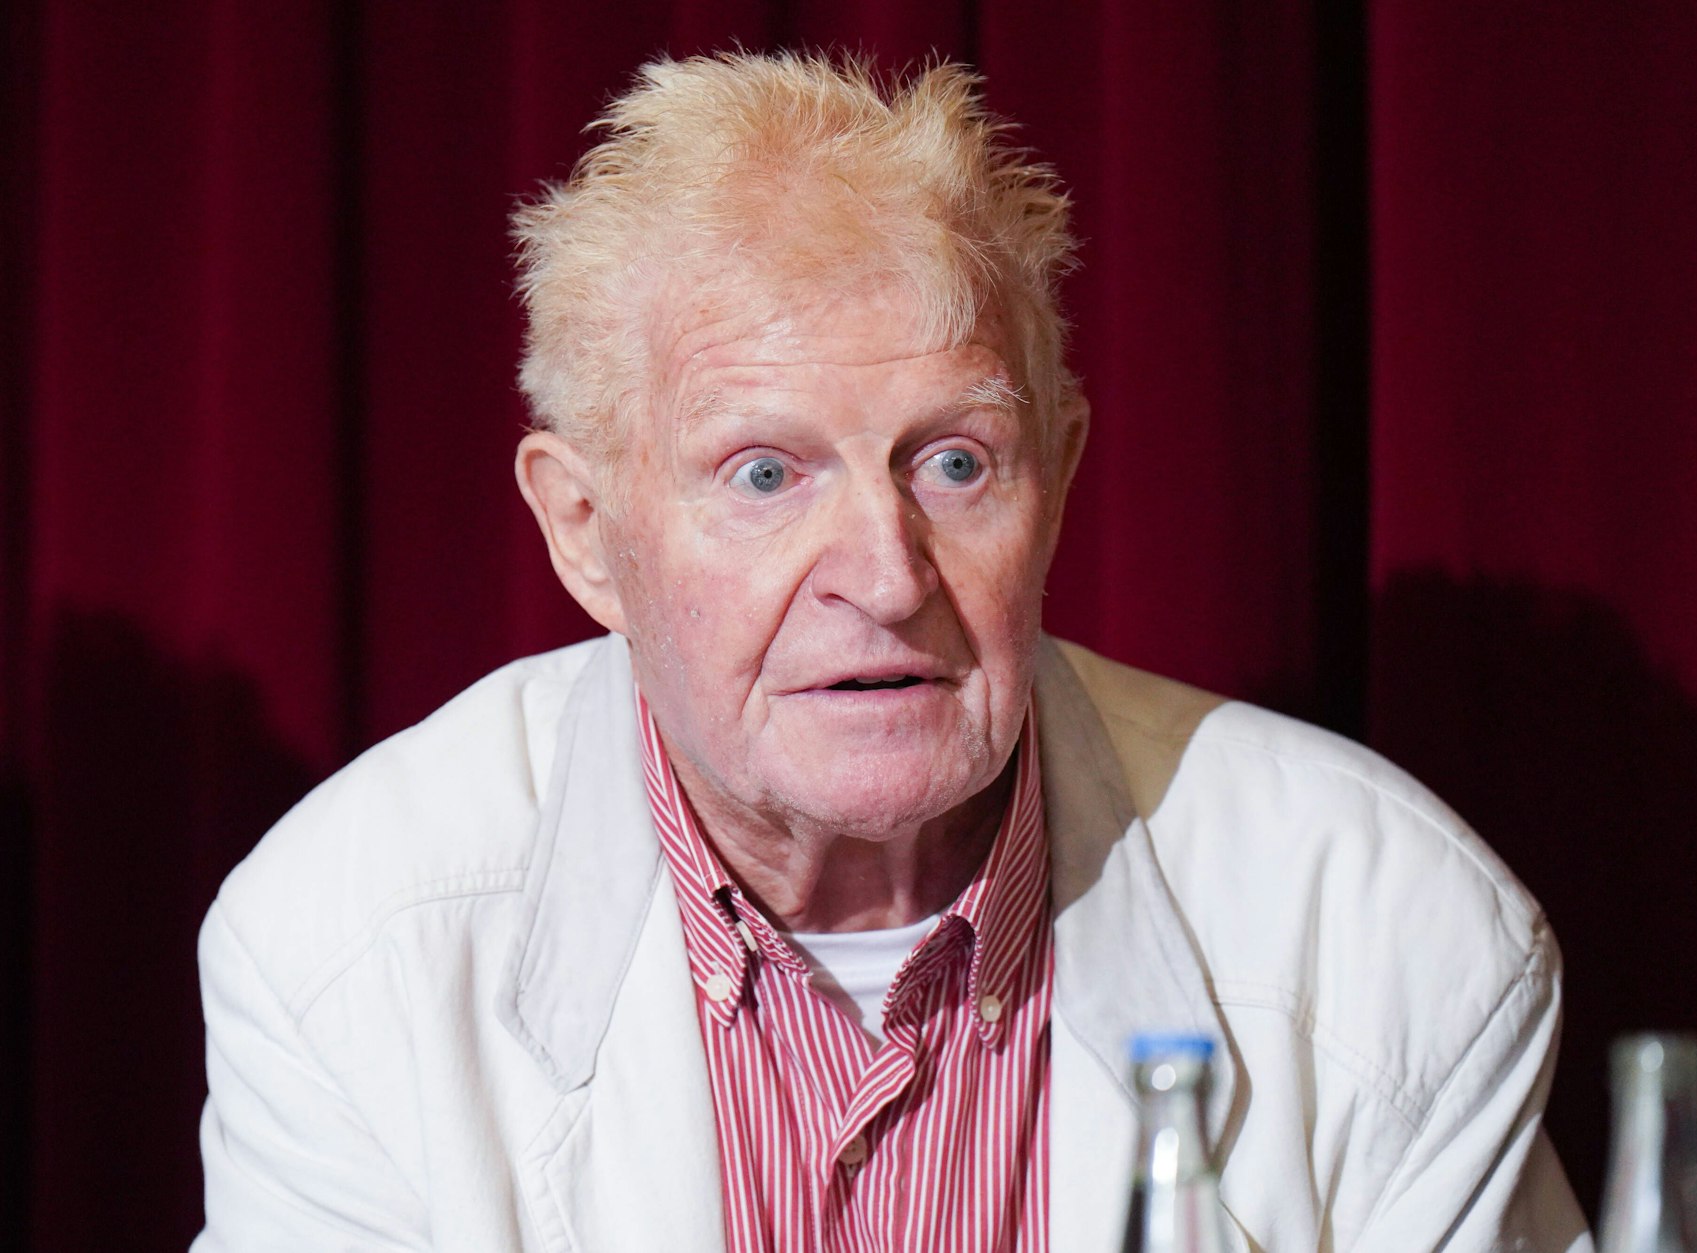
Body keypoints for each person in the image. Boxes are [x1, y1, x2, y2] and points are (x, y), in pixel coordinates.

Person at [193, 51, 1590, 1252]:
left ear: (1061, 478)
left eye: (956, 461)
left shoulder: (1390, 936)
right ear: (584, 531)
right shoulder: (342, 951)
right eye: (763, 473)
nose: (885, 574)